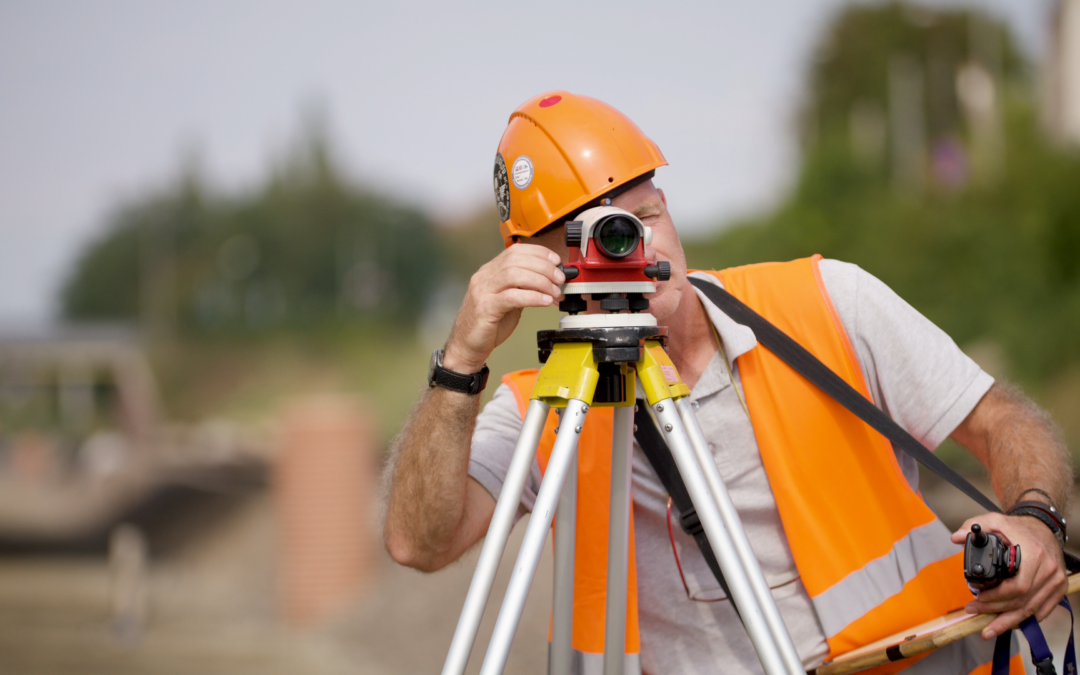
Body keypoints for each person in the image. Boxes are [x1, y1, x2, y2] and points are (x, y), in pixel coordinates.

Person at [382, 91, 1072, 674]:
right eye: (599, 242)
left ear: (668, 203)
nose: (636, 252)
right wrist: (462, 359)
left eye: (643, 218)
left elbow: (1003, 419)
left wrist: (1036, 520)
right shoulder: (543, 408)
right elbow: (418, 541)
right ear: (540, 268)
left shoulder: (823, 302)